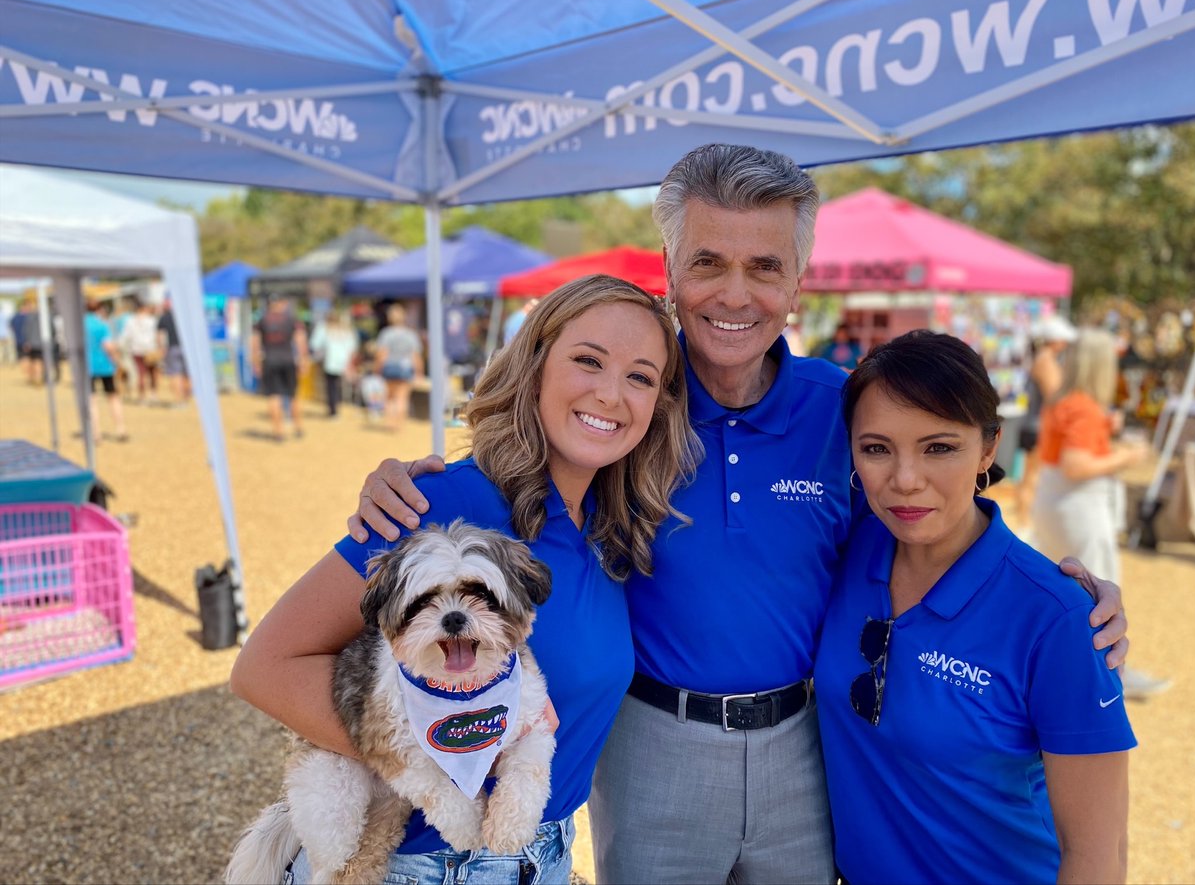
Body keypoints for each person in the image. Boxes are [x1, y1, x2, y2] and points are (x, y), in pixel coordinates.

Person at [347, 144, 1128, 884]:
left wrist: (1057, 600)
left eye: (764, 267)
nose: (734, 293)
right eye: (708, 262)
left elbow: (927, 501)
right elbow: (517, 472)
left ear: (798, 283)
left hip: (804, 745)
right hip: (652, 742)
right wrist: (404, 483)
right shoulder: (629, 405)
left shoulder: (843, 409)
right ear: (670, 272)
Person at [229, 275, 699, 884]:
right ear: (533, 367)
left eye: (640, 376)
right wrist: (440, 760)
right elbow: (265, 667)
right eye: (588, 360)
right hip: (420, 866)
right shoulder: (442, 503)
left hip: (543, 855)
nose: (612, 394)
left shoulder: (613, 530)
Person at [815, 330, 1135, 884]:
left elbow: (1098, 855)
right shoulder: (843, 547)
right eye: (876, 448)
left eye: (939, 447)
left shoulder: (1057, 619)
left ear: (989, 448)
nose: (905, 481)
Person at [1032, 327, 1171, 700]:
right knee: (1099, 591)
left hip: (1054, 500)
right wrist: (1126, 456)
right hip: (1077, 503)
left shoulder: (1064, 400)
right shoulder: (1083, 406)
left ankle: (1077, 671)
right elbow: (1076, 464)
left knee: (1064, 589)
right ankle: (1108, 676)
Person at [1013, 314, 1077, 532]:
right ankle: (1024, 523)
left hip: (1035, 425)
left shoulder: (1043, 358)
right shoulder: (1046, 360)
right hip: (1038, 427)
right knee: (1033, 476)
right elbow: (1055, 396)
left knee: (1032, 475)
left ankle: (1025, 521)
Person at [250, 293, 309, 441]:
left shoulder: (261, 321)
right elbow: (300, 341)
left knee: (273, 396)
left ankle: (278, 432)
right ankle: (298, 427)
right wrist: (303, 361)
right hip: (288, 360)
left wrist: (255, 363)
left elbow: (255, 343)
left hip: (269, 360)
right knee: (293, 395)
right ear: (282, 303)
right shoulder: (291, 320)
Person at [375, 303, 424, 433]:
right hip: (405, 368)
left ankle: (389, 423)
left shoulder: (386, 334)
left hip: (389, 367)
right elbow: (416, 356)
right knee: (402, 397)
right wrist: (419, 371)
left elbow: (382, 354)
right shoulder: (411, 334)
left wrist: (377, 369)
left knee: (389, 397)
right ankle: (399, 424)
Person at [84, 300, 129, 442]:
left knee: (91, 400)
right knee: (113, 397)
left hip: (86, 366)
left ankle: (95, 432)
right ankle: (120, 428)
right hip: (105, 366)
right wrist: (118, 361)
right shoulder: (101, 325)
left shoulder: (79, 326)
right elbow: (108, 346)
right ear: (99, 309)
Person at [309, 309, 360, 417]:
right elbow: (353, 347)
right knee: (339, 385)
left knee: (331, 385)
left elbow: (315, 344)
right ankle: (337, 405)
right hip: (343, 362)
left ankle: (333, 409)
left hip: (331, 361)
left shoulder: (324, 329)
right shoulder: (347, 330)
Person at [119, 298, 161, 403]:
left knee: (141, 373)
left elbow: (126, 336)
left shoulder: (131, 321)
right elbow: (157, 335)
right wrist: (160, 347)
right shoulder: (151, 320)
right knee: (153, 373)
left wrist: (121, 347)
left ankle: (142, 396)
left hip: (136, 349)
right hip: (150, 349)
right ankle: (153, 394)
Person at [156, 297, 191, 406]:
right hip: (187, 348)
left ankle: (179, 399)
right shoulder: (186, 316)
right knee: (187, 373)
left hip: (172, 348)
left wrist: (161, 348)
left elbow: (160, 335)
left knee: (175, 374)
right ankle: (186, 397)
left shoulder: (164, 317)